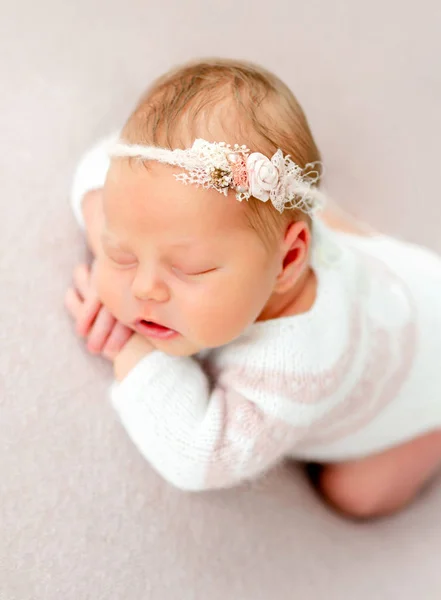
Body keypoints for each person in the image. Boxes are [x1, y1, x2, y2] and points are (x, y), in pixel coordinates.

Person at [65, 58, 441, 520]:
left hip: (423, 383)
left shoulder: (298, 364)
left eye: (191, 269)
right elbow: (102, 162)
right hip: (399, 286)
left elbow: (202, 458)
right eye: (125, 254)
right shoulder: (193, 201)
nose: (144, 288)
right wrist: (106, 239)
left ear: (287, 261)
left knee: (354, 494)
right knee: (301, 215)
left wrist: (134, 352)